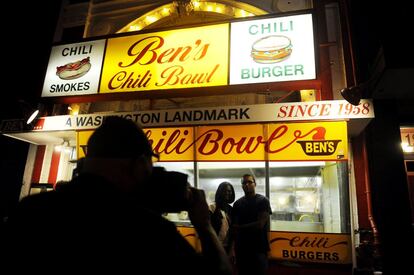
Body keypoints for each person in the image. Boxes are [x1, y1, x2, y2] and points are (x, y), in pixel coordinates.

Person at [5, 117, 232, 275]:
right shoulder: (149, 231)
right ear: (139, 164)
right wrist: (204, 225)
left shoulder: (29, 210)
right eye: (149, 167)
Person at [232, 174, 272, 275]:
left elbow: (261, 224)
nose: (247, 185)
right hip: (242, 250)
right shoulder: (237, 204)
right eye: (244, 183)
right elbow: (235, 229)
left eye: (250, 182)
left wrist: (240, 227)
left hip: (259, 249)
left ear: (255, 184)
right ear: (241, 186)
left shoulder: (263, 201)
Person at [209, 181, 235, 254]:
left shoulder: (231, 210)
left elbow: (233, 231)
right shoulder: (212, 207)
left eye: (229, 191)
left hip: (227, 247)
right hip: (214, 247)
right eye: (225, 190)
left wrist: (231, 250)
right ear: (220, 192)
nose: (227, 193)